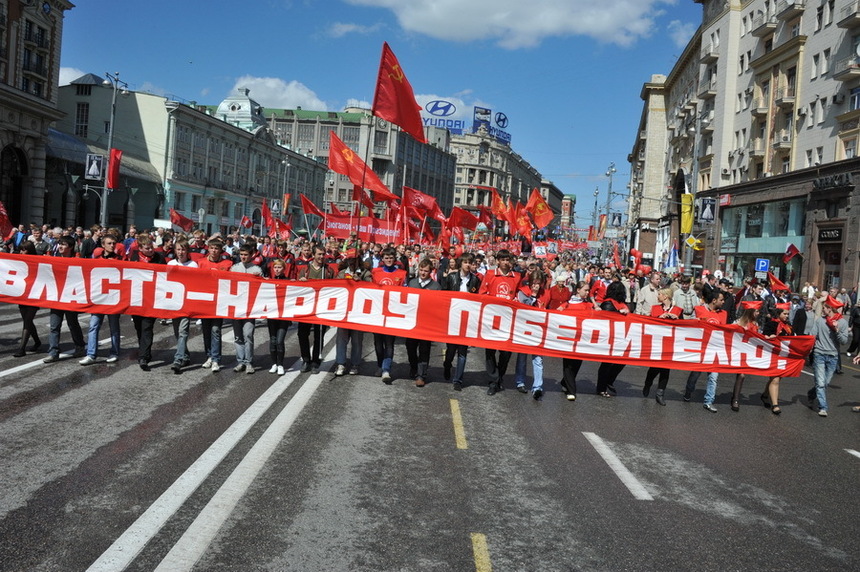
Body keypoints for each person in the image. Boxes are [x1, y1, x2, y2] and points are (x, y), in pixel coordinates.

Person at [478, 249, 521, 395]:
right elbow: (481, 294)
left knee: (506, 352)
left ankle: (499, 376)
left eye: (507, 259)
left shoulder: (517, 277)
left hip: (508, 321)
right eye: (502, 259)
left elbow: (521, 296)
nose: (505, 262)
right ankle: (493, 381)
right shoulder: (490, 274)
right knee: (490, 351)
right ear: (498, 261)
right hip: (492, 319)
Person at [79, 232, 122, 366]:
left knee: (114, 327)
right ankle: (91, 354)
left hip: (113, 299)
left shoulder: (120, 260)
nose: (112, 246)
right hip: (99, 298)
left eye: (114, 243)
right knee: (93, 326)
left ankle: (114, 352)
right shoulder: (96, 260)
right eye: (109, 243)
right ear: (103, 245)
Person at [43, 236, 86, 363]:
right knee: (54, 326)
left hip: (70, 298)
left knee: (72, 324)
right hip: (56, 297)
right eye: (59, 244)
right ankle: (53, 352)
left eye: (64, 245)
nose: (60, 247)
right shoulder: (54, 260)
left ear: (71, 247)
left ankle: (79, 345)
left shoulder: (76, 261)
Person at [682, 290, 727, 411]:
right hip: (700, 349)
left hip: (714, 351)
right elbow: (689, 325)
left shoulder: (723, 314)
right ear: (714, 300)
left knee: (713, 377)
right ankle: (688, 391)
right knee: (695, 374)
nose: (723, 302)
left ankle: (708, 401)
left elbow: (726, 331)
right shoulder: (698, 310)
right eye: (721, 300)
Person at [442, 252, 481, 391]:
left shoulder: (475, 280)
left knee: (463, 351)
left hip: (467, 320)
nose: (468, 265)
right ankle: (447, 365)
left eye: (470, 262)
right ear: (461, 263)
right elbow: (444, 295)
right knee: (451, 350)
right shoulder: (452, 277)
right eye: (465, 262)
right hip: (453, 318)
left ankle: (458, 379)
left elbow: (478, 299)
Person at [128, 235, 167, 370]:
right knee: (139, 327)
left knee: (147, 327)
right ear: (140, 248)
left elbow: (165, 276)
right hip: (137, 298)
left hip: (152, 298)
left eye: (152, 247)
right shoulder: (133, 257)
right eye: (147, 248)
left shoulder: (159, 258)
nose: (151, 250)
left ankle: (144, 357)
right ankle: (143, 350)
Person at [807, 296, 850, 417]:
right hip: (819, 354)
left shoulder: (842, 322)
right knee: (820, 383)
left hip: (833, 356)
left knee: (825, 383)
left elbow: (844, 341)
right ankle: (823, 407)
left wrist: (836, 330)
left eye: (824, 307)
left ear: (830, 308)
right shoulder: (820, 321)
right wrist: (808, 348)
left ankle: (811, 394)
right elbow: (812, 336)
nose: (823, 310)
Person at [370, 247, 407, 383]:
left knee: (389, 343)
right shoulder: (375, 272)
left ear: (394, 259)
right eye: (386, 258)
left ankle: (386, 369)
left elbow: (405, 293)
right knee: (378, 344)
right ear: (382, 259)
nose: (389, 260)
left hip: (393, 314)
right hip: (378, 313)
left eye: (391, 258)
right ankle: (380, 365)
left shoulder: (402, 273)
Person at [197, 238, 234, 372]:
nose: (214, 251)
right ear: (208, 248)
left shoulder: (228, 263)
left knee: (216, 331)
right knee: (206, 331)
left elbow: (233, 281)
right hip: (205, 302)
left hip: (219, 303)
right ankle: (209, 356)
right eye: (212, 248)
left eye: (216, 248)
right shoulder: (200, 263)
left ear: (221, 250)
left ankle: (216, 359)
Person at [514, 269, 551, 399]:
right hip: (524, 329)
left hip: (538, 331)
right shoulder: (523, 292)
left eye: (538, 283)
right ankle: (520, 382)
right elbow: (523, 308)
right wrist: (533, 296)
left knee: (538, 359)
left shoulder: (546, 294)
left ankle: (537, 387)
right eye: (534, 283)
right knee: (522, 358)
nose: (536, 285)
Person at [297, 245, 334, 374]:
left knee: (319, 335)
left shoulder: (328, 271)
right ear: (314, 255)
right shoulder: (305, 270)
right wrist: (301, 282)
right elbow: (296, 288)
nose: (321, 257)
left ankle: (315, 362)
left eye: (323, 254)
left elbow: (335, 288)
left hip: (321, 307)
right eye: (319, 254)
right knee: (302, 334)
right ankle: (306, 359)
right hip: (306, 307)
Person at [405, 259, 441, 387]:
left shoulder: (436, 286)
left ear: (430, 272)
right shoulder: (412, 283)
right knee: (410, 347)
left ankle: (421, 375)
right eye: (421, 270)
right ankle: (413, 367)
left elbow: (438, 306)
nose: (423, 273)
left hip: (427, 324)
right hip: (412, 322)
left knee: (424, 349)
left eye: (426, 271)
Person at [643, 288, 682, 405]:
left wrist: (678, 319)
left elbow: (685, 328)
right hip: (657, 343)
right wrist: (659, 318)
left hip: (670, 343)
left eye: (659, 294)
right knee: (654, 368)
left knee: (665, 369)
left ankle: (660, 394)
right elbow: (649, 324)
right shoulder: (655, 308)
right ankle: (648, 383)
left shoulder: (678, 310)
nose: (657, 296)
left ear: (665, 296)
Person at [334, 252, 370, 376]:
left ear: (358, 260)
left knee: (356, 340)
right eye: (349, 260)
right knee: (341, 339)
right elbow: (335, 288)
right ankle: (340, 363)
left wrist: (361, 281)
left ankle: (355, 364)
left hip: (358, 312)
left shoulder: (365, 273)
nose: (351, 262)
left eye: (354, 259)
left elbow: (372, 289)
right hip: (344, 311)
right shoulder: (341, 273)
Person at [556, 280, 592, 401]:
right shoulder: (567, 304)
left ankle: (565, 381)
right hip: (568, 338)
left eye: (588, 290)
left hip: (581, 339)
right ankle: (571, 391)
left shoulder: (588, 305)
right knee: (568, 364)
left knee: (577, 363)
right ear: (578, 290)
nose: (587, 292)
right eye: (585, 290)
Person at [230, 244, 263, 374]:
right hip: (236, 308)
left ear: (251, 255)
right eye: (241, 254)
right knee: (238, 336)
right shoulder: (234, 268)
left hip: (250, 308)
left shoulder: (257, 269)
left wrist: (258, 278)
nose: (243, 257)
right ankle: (240, 361)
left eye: (246, 255)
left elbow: (262, 288)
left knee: (248, 335)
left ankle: (249, 362)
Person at [167, 238, 198, 374]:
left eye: (183, 249)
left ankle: (178, 359)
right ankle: (185, 355)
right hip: (174, 304)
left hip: (187, 304)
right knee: (176, 332)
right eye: (178, 249)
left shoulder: (193, 265)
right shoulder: (171, 264)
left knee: (183, 331)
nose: (180, 252)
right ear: (175, 250)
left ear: (187, 251)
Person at [595, 281, 630, 397]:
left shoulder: (620, 303)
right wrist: (619, 313)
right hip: (609, 337)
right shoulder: (608, 303)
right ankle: (601, 388)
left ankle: (609, 380)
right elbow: (606, 317)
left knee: (622, 360)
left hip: (620, 336)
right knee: (606, 364)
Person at [760, 303, 794, 415]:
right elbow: (764, 337)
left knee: (777, 378)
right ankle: (775, 405)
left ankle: (765, 395)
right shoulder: (771, 324)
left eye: (788, 314)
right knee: (775, 379)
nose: (787, 316)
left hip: (783, 356)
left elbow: (792, 340)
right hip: (772, 355)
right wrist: (770, 337)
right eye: (784, 313)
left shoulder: (789, 327)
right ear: (778, 314)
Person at [730, 300, 761, 412]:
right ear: (751, 311)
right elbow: (729, 332)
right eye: (757, 311)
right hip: (737, 351)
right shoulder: (738, 322)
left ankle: (735, 398)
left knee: (742, 376)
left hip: (748, 353)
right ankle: (735, 399)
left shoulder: (756, 324)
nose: (758, 313)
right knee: (741, 375)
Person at [12, 241, 42, 357]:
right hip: (23, 294)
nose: (21, 252)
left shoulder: (38, 261)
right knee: (26, 320)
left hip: (34, 294)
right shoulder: (19, 262)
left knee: (28, 320)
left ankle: (22, 348)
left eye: (24, 250)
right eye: (20, 249)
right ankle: (37, 341)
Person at [266, 258, 292, 375]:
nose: (277, 269)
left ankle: (281, 364)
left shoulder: (288, 281)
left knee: (280, 341)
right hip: (272, 315)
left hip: (283, 316)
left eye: (279, 267)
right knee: (273, 340)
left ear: (284, 269)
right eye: (275, 267)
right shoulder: (269, 281)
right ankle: (274, 364)